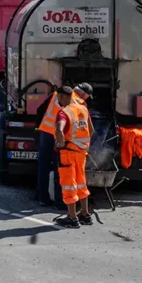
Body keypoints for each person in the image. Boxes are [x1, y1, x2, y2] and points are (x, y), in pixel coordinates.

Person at [34, 84, 87, 208]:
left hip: (46, 132)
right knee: (60, 167)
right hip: (59, 136)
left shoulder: (55, 95)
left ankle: (42, 197)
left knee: (44, 167)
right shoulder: (78, 103)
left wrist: (37, 129)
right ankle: (60, 201)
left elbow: (39, 110)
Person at [54, 86, 95, 228]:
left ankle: (72, 218)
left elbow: (59, 129)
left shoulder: (63, 113)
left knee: (69, 185)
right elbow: (91, 129)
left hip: (68, 153)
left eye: (59, 98)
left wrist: (61, 143)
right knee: (81, 183)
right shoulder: (83, 109)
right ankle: (85, 214)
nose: (58, 101)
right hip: (81, 153)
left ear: (63, 96)